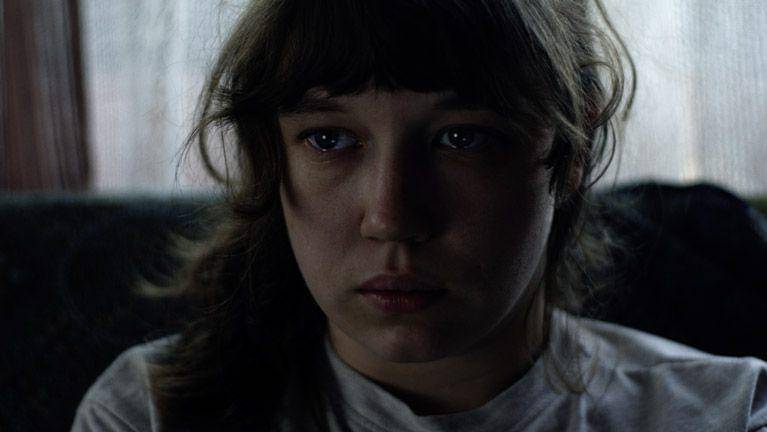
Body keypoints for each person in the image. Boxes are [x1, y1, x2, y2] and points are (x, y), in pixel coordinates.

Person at [72, 0, 767, 431]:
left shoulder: (726, 414)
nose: (391, 217)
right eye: (329, 139)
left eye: (461, 138)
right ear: (272, 157)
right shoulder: (152, 412)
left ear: (572, 148)